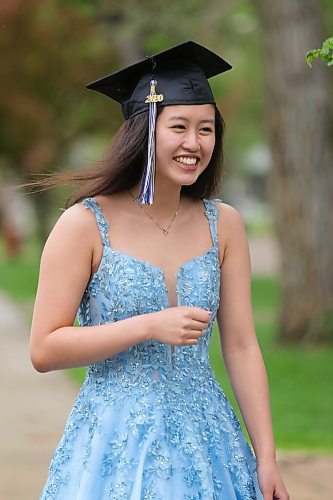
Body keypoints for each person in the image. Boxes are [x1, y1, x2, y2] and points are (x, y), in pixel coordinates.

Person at [30, 41, 289, 499]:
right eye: (179, 127)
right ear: (144, 131)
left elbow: (243, 345)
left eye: (206, 129)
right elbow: (45, 348)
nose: (194, 143)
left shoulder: (223, 224)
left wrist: (266, 457)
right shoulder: (85, 224)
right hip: (115, 442)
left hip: (210, 443)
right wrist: (148, 325)